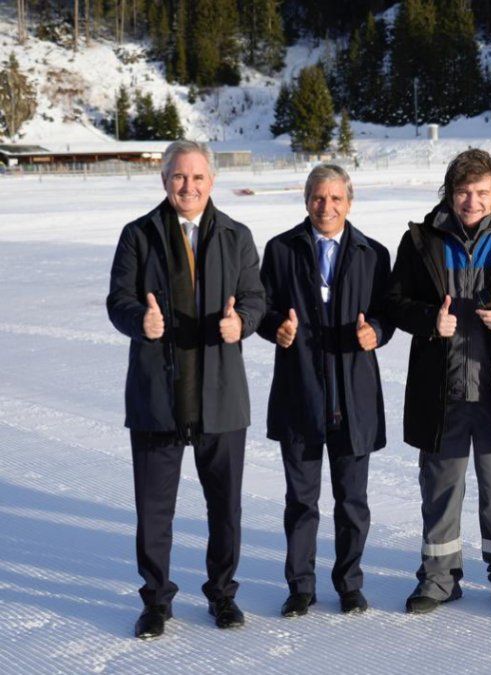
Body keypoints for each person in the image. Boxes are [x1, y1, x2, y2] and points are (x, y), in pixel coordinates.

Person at [107, 140, 265, 639]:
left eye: (197, 178)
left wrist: (242, 322)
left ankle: (222, 595)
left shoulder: (236, 236)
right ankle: (155, 600)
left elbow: (257, 298)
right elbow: (119, 300)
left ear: (211, 182)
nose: (188, 186)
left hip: (221, 391)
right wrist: (140, 321)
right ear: (164, 180)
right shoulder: (139, 235)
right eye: (178, 177)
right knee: (154, 507)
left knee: (225, 505)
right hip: (159, 392)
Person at [387, 149, 491, 615]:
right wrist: (426, 321)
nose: (472, 201)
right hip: (443, 393)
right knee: (442, 491)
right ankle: (439, 579)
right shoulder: (422, 240)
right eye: (464, 191)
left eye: (482, 192)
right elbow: (394, 301)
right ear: (450, 192)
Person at [258, 164, 393, 617]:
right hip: (301, 394)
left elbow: (387, 313)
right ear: (306, 200)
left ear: (349, 203)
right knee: (301, 502)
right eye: (318, 197)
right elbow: (260, 308)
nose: (326, 206)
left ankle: (349, 584)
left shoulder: (373, 253)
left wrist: (375, 329)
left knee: (352, 503)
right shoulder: (281, 250)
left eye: (336, 198)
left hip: (353, 397)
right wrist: (276, 327)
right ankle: (301, 587)